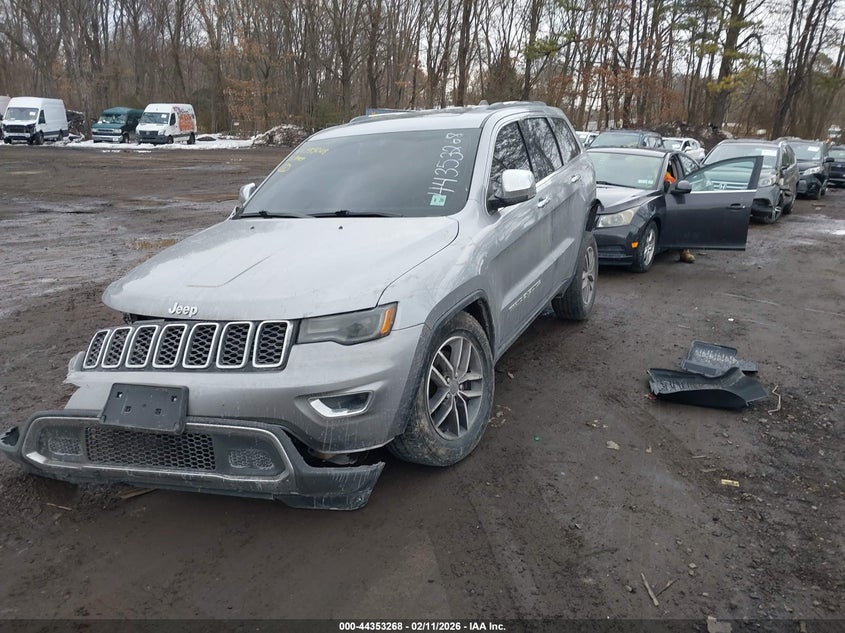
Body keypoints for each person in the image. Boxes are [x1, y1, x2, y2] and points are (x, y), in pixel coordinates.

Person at [664, 169, 695, 263]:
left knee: (683, 221)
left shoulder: (665, 174)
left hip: (673, 201)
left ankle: (684, 251)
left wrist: (667, 183)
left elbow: (671, 182)